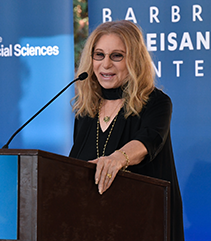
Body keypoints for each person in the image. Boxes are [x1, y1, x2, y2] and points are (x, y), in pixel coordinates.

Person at [69, 20, 185, 241]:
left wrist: (117, 159)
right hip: (93, 224)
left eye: (117, 56)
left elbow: (148, 141)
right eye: (99, 55)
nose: (105, 65)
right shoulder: (85, 111)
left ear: (134, 60)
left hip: (144, 222)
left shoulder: (156, 102)